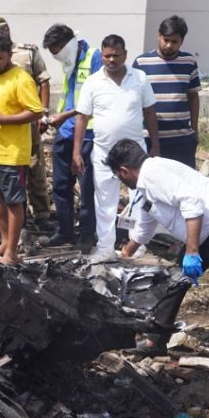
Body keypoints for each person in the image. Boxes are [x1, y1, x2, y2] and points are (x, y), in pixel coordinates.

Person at [107, 138, 209, 358]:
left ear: (124, 170)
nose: (121, 181)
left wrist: (191, 252)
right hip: (206, 235)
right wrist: (126, 253)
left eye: (118, 176)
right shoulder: (146, 185)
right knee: (174, 283)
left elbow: (192, 203)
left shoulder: (153, 175)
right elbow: (144, 226)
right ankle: (155, 341)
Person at [73, 34, 159, 263]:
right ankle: (105, 249)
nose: (111, 60)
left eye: (116, 55)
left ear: (125, 55)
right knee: (104, 202)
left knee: (140, 199)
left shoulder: (139, 78)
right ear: (102, 56)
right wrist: (76, 151)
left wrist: (156, 146)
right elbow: (81, 118)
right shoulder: (93, 82)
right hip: (103, 152)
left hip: (136, 154)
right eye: (107, 56)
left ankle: (136, 245)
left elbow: (150, 112)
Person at [0, 32, 44, 264]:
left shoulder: (21, 79)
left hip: (13, 153)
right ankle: (6, 239)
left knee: (14, 200)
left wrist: (4, 120)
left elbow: (36, 112)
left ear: (9, 55)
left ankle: (12, 251)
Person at [0, 15, 52, 229]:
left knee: (34, 170)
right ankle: (12, 230)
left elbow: (43, 82)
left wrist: (44, 114)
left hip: (23, 128)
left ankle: (41, 215)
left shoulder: (27, 54)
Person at [40, 23, 102, 252]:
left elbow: (96, 98)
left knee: (86, 187)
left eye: (56, 50)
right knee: (60, 185)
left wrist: (64, 116)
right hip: (65, 131)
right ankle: (65, 231)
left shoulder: (94, 57)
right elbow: (68, 94)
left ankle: (87, 234)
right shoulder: (68, 60)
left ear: (68, 44)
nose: (55, 55)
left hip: (88, 133)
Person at [133, 15, 201, 168]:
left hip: (181, 139)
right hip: (148, 139)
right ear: (159, 36)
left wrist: (194, 130)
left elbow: (193, 97)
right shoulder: (141, 62)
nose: (169, 45)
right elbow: (134, 100)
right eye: (166, 40)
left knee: (182, 180)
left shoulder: (189, 61)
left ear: (182, 41)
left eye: (174, 42)